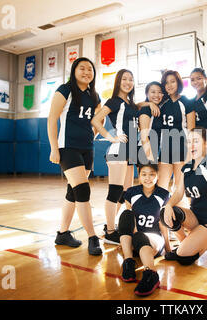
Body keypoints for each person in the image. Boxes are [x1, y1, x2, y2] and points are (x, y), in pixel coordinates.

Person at [48, 57, 103, 256]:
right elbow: (52, 119)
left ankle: (62, 233)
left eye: (90, 69)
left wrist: (92, 135)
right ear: (74, 71)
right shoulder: (65, 90)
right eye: (82, 68)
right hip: (68, 148)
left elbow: (99, 119)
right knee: (82, 191)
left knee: (73, 191)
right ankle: (92, 237)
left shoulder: (94, 95)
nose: (87, 72)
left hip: (87, 149)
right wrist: (54, 148)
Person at [160, 127, 207, 266]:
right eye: (189, 142)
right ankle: (188, 242)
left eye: (195, 141)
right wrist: (168, 205)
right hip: (195, 217)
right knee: (166, 214)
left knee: (184, 258)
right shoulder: (187, 167)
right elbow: (179, 192)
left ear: (206, 143)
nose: (191, 145)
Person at [91, 69, 140, 245]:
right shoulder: (113, 101)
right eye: (124, 79)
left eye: (131, 79)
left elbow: (140, 108)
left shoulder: (132, 104)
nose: (128, 82)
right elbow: (96, 120)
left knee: (126, 193)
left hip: (131, 150)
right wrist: (111, 137)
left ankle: (122, 226)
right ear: (118, 82)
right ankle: (110, 232)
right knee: (115, 192)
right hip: (118, 149)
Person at [118, 163, 170, 296]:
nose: (148, 178)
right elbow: (130, 221)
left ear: (157, 176)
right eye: (144, 174)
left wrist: (168, 249)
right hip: (135, 239)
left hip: (153, 240)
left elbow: (163, 224)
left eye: (152, 174)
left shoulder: (163, 194)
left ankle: (151, 273)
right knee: (126, 214)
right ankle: (128, 262)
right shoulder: (131, 192)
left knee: (140, 236)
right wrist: (126, 243)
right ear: (139, 176)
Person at [157, 70, 195, 191]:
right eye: (166, 83)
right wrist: (151, 105)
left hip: (182, 147)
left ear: (178, 82)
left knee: (179, 186)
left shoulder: (186, 102)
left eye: (172, 81)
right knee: (161, 186)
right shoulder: (161, 103)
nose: (169, 85)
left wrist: (191, 153)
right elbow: (140, 105)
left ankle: (178, 210)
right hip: (165, 149)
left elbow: (192, 130)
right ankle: (162, 210)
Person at [138, 81, 165, 164]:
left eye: (159, 92)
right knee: (147, 176)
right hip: (146, 150)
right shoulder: (146, 109)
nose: (156, 95)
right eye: (153, 92)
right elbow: (144, 136)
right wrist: (150, 158)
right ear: (147, 94)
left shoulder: (158, 108)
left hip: (155, 149)